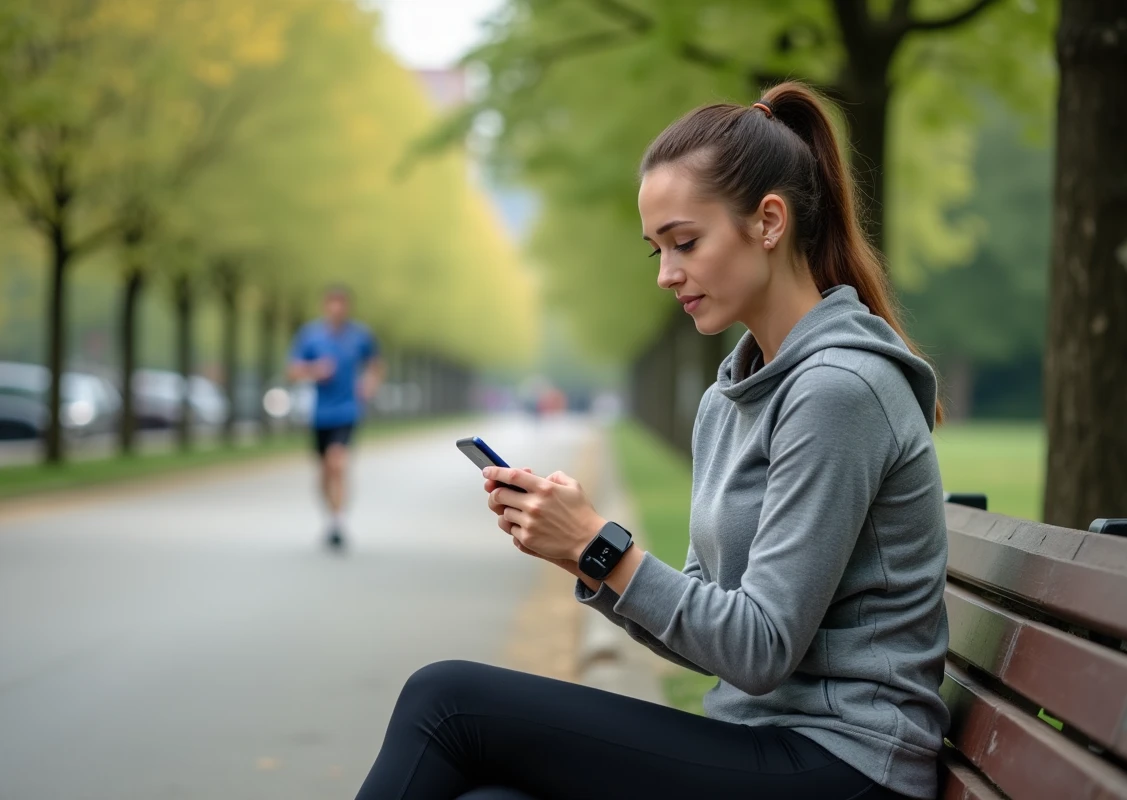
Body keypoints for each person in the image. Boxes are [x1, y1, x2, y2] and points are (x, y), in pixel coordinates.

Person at [356, 81, 950, 800]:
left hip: (848, 765)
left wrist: (599, 546)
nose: (667, 274)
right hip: (766, 743)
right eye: (656, 251)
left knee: (446, 701)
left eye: (686, 243)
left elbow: (760, 648)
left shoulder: (839, 389)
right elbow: (713, 630)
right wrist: (585, 556)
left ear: (769, 222)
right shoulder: (729, 400)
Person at [288, 285, 382, 550]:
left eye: (341, 303)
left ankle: (338, 523)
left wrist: (369, 383)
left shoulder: (360, 336)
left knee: (337, 462)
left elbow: (375, 364)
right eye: (332, 303)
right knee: (324, 471)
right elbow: (292, 370)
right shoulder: (310, 335)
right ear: (325, 306)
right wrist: (314, 370)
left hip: (347, 410)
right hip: (319, 414)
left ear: (348, 307)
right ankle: (330, 517)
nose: (337, 308)